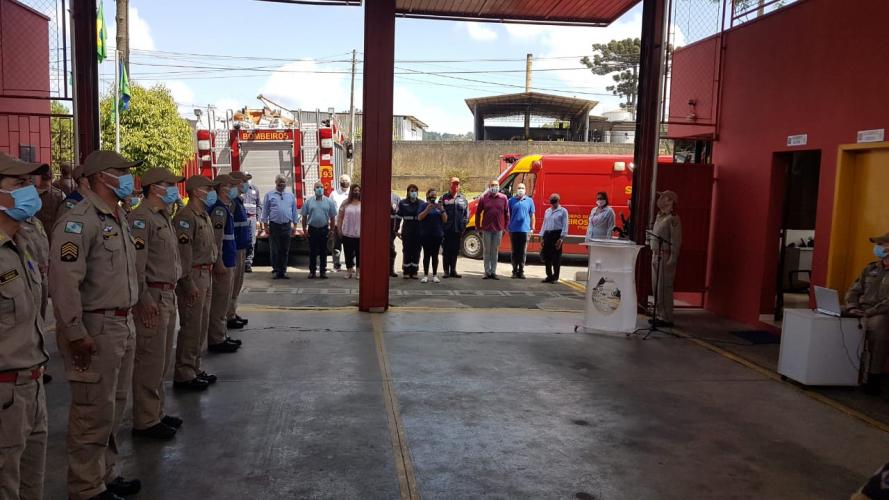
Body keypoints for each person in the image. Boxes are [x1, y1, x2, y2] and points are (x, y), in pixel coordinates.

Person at [50, 150, 142, 500]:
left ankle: (105, 474)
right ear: (102, 176)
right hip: (96, 327)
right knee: (91, 411)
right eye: (121, 171)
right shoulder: (78, 221)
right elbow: (64, 282)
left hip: (122, 322)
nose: (128, 179)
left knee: (114, 406)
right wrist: (75, 332)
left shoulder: (116, 216)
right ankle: (86, 487)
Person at [0, 153, 49, 500]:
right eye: (17, 184)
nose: (29, 190)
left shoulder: (21, 245)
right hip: (5, 393)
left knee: (32, 482)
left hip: (32, 384)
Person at [127, 167, 184, 440]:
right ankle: (145, 420)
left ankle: (156, 411)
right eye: (168, 184)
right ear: (154, 188)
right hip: (153, 296)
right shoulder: (140, 218)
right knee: (149, 359)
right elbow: (137, 266)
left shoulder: (163, 217)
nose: (173, 189)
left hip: (167, 294)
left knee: (161, 359)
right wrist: (144, 298)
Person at [172, 175, 219, 392]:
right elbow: (183, 254)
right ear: (196, 191)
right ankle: (184, 372)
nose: (211, 191)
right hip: (193, 276)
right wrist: (188, 282)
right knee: (191, 326)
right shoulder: (185, 217)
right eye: (207, 188)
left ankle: (195, 366)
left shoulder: (203, 215)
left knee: (200, 325)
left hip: (205, 274)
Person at [845, 232, 889, 396]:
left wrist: (868, 312)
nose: (878, 248)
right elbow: (854, 290)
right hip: (862, 310)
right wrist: (851, 307)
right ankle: (844, 372)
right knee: (838, 321)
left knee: (878, 328)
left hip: (881, 313)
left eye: (882, 244)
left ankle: (873, 379)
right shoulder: (870, 268)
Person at [207, 174, 241, 354]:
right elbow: (217, 239)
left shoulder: (225, 208)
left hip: (229, 259)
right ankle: (216, 338)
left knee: (224, 300)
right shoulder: (219, 210)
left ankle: (221, 335)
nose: (233, 188)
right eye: (229, 185)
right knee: (220, 302)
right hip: (224, 262)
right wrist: (218, 261)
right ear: (221, 188)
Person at [648, 190, 682, 327]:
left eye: (663, 197)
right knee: (656, 287)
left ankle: (667, 317)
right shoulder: (660, 216)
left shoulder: (673, 218)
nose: (660, 199)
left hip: (665, 255)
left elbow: (676, 240)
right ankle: (659, 314)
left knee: (664, 287)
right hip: (656, 255)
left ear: (670, 201)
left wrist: (673, 257)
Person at [260, 174, 297, 279]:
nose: (282, 184)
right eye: (279, 182)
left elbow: (294, 211)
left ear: (286, 184)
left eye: (283, 182)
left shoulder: (290, 196)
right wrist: (265, 226)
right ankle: (277, 271)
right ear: (276, 183)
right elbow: (265, 211)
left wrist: (294, 225)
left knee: (285, 249)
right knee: (275, 249)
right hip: (274, 226)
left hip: (286, 226)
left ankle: (283, 271)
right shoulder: (269, 195)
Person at [226, 171, 250, 329]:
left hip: (241, 247)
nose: (245, 184)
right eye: (243, 181)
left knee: (237, 284)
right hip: (235, 248)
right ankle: (229, 315)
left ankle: (232, 312)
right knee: (232, 284)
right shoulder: (232, 202)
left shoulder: (238, 201)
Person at [301, 181, 337, 279]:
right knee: (312, 252)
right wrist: (304, 230)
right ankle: (312, 271)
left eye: (321, 187)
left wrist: (332, 231)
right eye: (317, 187)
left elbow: (333, 217)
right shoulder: (308, 201)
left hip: (324, 229)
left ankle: (323, 272)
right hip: (312, 229)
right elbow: (304, 217)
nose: (319, 189)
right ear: (314, 189)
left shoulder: (329, 201)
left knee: (323, 251)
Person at [475, 179, 509, 279]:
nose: (495, 187)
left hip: (498, 229)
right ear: (489, 187)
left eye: (497, 185)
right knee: (486, 251)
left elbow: (507, 213)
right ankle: (486, 272)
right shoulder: (484, 198)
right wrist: (478, 227)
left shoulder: (504, 198)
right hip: (486, 229)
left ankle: (493, 272)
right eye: (493, 185)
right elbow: (478, 213)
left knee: (494, 251)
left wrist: (505, 227)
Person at [418, 188, 447, 283]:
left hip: (437, 235)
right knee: (426, 255)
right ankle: (425, 275)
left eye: (435, 195)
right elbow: (419, 217)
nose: (433, 197)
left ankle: (434, 275)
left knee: (435, 256)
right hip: (426, 234)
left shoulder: (439, 206)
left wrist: (442, 210)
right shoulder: (423, 205)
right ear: (427, 196)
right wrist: (427, 209)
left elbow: (445, 220)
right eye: (432, 195)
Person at [440, 177, 468, 279]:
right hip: (447, 230)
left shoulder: (463, 199)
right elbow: (439, 213)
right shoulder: (443, 198)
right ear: (450, 185)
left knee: (455, 251)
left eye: (457, 184)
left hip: (457, 230)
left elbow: (466, 214)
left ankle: (453, 270)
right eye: (453, 184)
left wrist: (463, 225)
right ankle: (446, 271)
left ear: (459, 186)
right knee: (446, 251)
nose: (455, 186)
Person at [539, 193, 569, 284]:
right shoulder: (547, 211)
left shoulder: (563, 211)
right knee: (547, 257)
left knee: (556, 257)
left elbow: (565, 225)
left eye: (554, 201)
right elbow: (544, 224)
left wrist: (561, 238)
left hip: (557, 235)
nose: (553, 203)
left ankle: (555, 277)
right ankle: (549, 276)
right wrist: (542, 237)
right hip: (547, 234)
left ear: (558, 201)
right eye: (551, 200)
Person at [507, 182, 535, 279]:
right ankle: (514, 271)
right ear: (516, 189)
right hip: (513, 230)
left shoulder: (529, 201)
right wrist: (508, 227)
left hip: (525, 230)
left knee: (523, 252)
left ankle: (521, 271)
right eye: (519, 188)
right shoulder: (511, 201)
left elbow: (532, 215)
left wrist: (532, 228)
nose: (520, 189)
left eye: (522, 188)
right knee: (514, 251)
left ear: (525, 190)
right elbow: (508, 215)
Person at [397, 184, 423, 279]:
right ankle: (406, 271)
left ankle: (414, 271)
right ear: (408, 192)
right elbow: (398, 217)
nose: (413, 193)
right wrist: (396, 230)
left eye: (415, 191)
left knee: (416, 251)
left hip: (418, 231)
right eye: (411, 191)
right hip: (407, 230)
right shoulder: (403, 203)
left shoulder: (421, 203)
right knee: (407, 251)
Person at [336, 184, 361, 279]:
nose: (356, 192)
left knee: (359, 254)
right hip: (347, 233)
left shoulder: (363, 202)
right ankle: (349, 271)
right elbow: (340, 217)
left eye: (358, 190)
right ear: (351, 191)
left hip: (359, 234)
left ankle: (358, 272)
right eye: (354, 190)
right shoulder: (345, 203)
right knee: (348, 254)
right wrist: (339, 229)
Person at [330, 174, 351, 272]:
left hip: (349, 225)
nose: (345, 182)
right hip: (337, 225)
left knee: (350, 246)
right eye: (343, 180)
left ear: (349, 182)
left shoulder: (353, 193)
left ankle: (351, 265)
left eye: (346, 180)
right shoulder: (334, 194)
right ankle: (336, 265)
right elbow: (329, 209)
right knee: (336, 246)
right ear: (339, 182)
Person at [242, 172, 261, 272]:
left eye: (249, 178)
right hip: (242, 220)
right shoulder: (239, 190)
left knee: (252, 241)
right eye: (245, 178)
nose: (247, 180)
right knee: (242, 240)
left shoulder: (255, 189)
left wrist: (258, 219)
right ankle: (241, 262)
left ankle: (248, 263)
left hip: (252, 219)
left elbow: (259, 205)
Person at [389, 192, 401, 278]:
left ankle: (391, 270)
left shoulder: (395, 197)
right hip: (379, 228)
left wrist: (396, 229)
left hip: (391, 229)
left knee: (391, 250)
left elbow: (398, 214)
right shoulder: (377, 194)